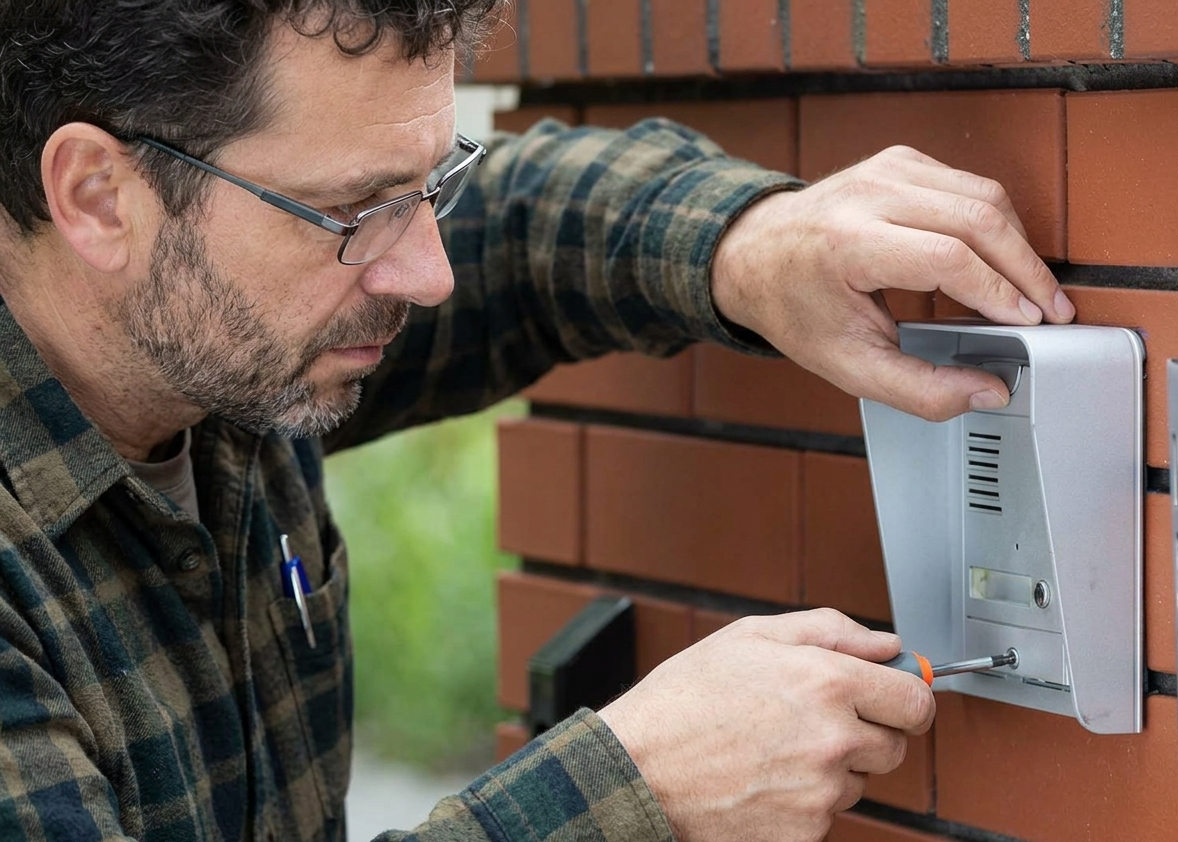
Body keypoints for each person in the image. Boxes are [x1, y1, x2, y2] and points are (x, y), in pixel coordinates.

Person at [0, 2, 1075, 841]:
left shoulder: (212, 340)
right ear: (99, 196)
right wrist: (636, 788)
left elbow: (518, 231)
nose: (424, 270)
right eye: (357, 210)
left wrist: (749, 244)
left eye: (429, 185)